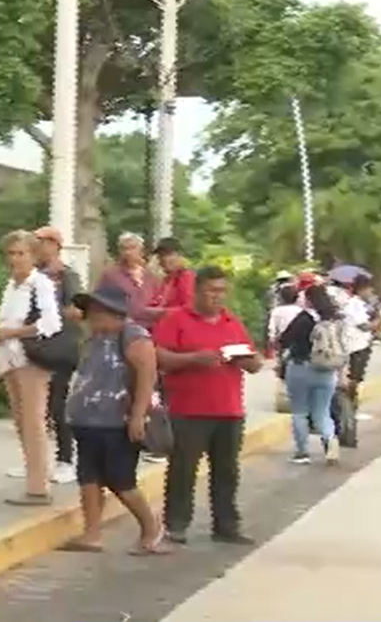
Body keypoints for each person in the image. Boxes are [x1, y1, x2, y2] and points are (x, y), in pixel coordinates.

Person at [153, 265, 263, 545]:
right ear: (196, 291)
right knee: (183, 470)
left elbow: (254, 361)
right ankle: (176, 523)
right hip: (188, 410)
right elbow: (159, 356)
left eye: (222, 291)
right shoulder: (176, 319)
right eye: (211, 291)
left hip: (229, 410)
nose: (218, 296)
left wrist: (249, 361)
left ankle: (226, 525)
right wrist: (193, 359)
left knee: (227, 471)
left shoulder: (231, 322)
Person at [59, 283, 168, 555]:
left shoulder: (133, 336)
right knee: (88, 477)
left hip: (116, 421)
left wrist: (138, 416)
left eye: (97, 310)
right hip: (86, 419)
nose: (91, 315)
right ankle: (92, 534)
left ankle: (151, 527)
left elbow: (147, 377)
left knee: (121, 480)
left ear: (115, 312)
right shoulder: (93, 337)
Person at [0, 230, 63, 505]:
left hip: (31, 358)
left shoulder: (40, 284)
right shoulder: (12, 286)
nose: (16, 259)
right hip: (11, 358)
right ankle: (34, 476)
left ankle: (38, 487)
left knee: (33, 422)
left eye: (21, 253)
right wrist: (0, 335)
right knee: (22, 421)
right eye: (11, 253)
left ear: (32, 256)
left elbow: (51, 323)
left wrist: (13, 333)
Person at [30, 225, 83, 485]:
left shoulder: (66, 275)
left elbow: (78, 311)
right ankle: (36, 462)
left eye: (40, 242)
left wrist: (51, 312)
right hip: (36, 347)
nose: (36, 248)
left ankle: (66, 460)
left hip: (61, 347)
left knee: (57, 405)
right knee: (35, 407)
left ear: (54, 245)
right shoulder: (33, 275)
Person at [277, 285, 344, 465]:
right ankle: (331, 444)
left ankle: (302, 452)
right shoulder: (333, 320)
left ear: (308, 300)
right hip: (327, 370)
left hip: (301, 368)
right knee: (323, 412)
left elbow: (284, 340)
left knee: (299, 412)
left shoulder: (303, 318)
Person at [335, 274, 375, 448]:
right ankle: (348, 428)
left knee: (353, 389)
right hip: (355, 350)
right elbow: (364, 326)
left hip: (359, 349)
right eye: (370, 289)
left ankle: (349, 427)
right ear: (362, 289)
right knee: (350, 390)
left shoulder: (359, 305)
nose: (371, 293)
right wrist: (380, 321)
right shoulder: (354, 304)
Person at [97, 232, 163, 327]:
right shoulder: (110, 275)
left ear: (141, 251)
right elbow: (100, 302)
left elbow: (160, 300)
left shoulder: (151, 275)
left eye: (132, 248)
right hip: (123, 328)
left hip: (150, 327)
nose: (128, 252)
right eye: (124, 249)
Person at [152, 237, 196, 311]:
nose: (164, 259)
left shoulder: (187, 278)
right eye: (161, 255)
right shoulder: (165, 280)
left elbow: (188, 308)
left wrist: (161, 312)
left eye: (168, 254)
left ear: (180, 255)